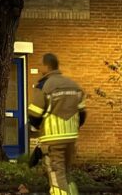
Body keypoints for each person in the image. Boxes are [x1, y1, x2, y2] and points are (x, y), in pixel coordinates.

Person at [28, 53, 86, 195]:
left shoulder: (44, 85)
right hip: (71, 137)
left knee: (56, 175)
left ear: (46, 66)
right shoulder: (74, 85)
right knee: (66, 173)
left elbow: (34, 114)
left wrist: (37, 127)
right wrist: (73, 127)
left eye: (41, 65)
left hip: (53, 138)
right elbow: (82, 114)